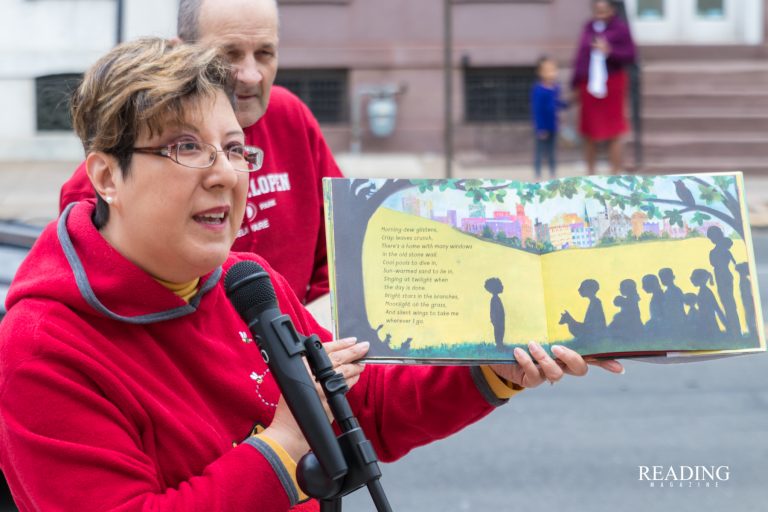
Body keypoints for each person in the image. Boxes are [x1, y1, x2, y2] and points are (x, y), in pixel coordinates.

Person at [0, 38, 622, 512]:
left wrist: (491, 371)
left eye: (235, 147)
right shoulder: (42, 345)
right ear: (107, 176)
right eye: (185, 148)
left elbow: (361, 415)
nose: (225, 174)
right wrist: (282, 445)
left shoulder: (249, 282)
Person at [58, 0, 339, 326]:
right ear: (183, 53)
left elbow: (337, 249)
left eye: (265, 53)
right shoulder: (108, 181)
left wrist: (312, 333)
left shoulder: (290, 117)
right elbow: (116, 313)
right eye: (229, 55)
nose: (250, 75)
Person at [570, 0, 636, 175]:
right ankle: (590, 173)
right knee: (589, 130)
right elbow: (580, 54)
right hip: (588, 82)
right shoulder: (588, 27)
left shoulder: (620, 28)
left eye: (604, 10)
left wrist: (609, 50)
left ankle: (614, 172)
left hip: (612, 81)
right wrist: (575, 82)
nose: (600, 14)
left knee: (614, 129)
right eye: (597, 11)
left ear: (612, 10)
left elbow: (631, 54)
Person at [530, 56, 567, 180]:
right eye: (547, 70)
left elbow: (556, 103)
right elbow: (537, 110)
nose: (551, 73)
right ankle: (537, 174)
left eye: (553, 70)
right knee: (539, 152)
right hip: (542, 128)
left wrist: (566, 104)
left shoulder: (556, 88)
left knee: (552, 152)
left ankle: (552, 174)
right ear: (540, 72)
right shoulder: (538, 90)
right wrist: (540, 128)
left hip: (553, 125)